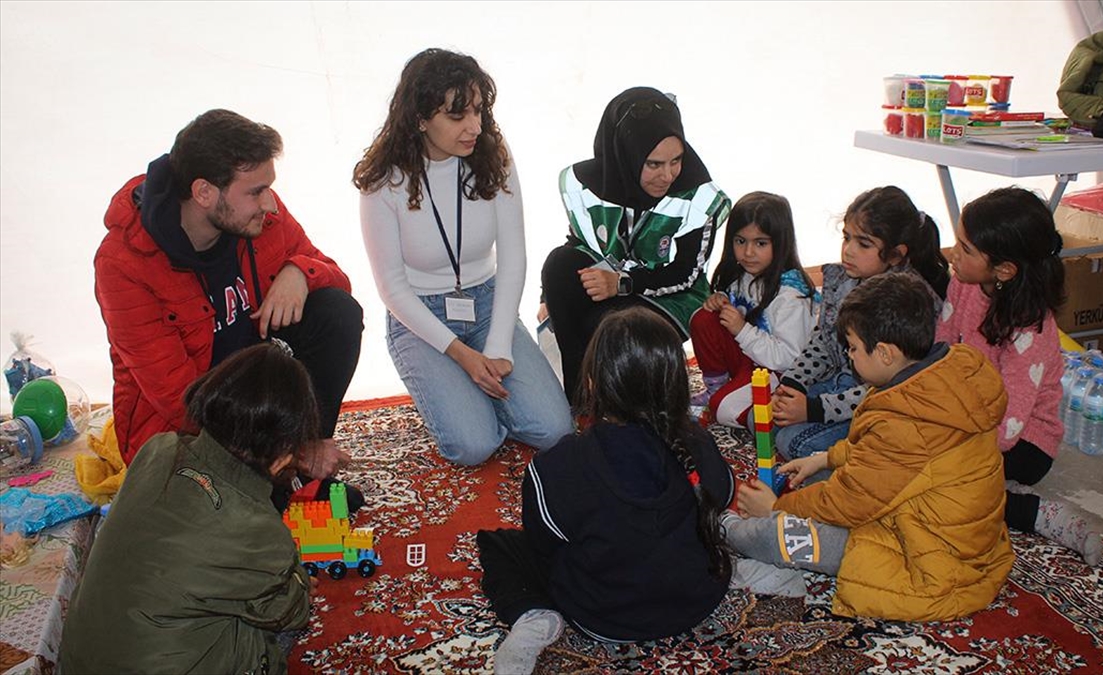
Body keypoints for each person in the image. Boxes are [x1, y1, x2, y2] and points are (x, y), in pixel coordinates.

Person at [94, 108, 362, 496]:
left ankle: (295, 477)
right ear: (204, 192)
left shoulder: (256, 215)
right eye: (256, 191)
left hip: (251, 391)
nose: (270, 203)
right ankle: (288, 468)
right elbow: (180, 402)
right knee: (225, 528)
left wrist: (300, 272)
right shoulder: (124, 263)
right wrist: (293, 448)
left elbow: (334, 274)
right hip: (189, 428)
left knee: (336, 312)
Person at [723, 273, 1014, 622]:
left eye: (853, 348)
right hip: (942, 529)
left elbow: (849, 502)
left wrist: (778, 507)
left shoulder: (906, 420)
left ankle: (724, 526)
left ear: (886, 354)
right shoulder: (939, 375)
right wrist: (824, 458)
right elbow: (884, 455)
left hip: (927, 557)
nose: (849, 355)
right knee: (818, 481)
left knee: (779, 534)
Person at [476, 306, 736, 675]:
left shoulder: (556, 466)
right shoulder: (695, 441)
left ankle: (533, 615)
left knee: (500, 544)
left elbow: (543, 543)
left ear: (593, 383)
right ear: (677, 382)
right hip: (700, 597)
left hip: (606, 618)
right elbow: (722, 495)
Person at [356, 48, 573, 466]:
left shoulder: (493, 154)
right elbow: (391, 288)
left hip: (489, 303)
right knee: (472, 447)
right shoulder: (383, 179)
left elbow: (513, 259)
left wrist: (497, 349)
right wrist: (463, 357)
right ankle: (465, 397)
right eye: (457, 116)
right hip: (421, 318)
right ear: (420, 118)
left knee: (556, 431)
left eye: (478, 111)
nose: (474, 126)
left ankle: (481, 396)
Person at [60, 343, 316, 673]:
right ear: (282, 453)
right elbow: (292, 611)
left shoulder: (158, 448)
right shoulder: (258, 532)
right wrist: (299, 580)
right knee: (271, 630)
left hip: (78, 663)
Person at [937, 187, 1102, 565]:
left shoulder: (1031, 330)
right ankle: (989, 486)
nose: (953, 254)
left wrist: (945, 441)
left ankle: (1037, 513)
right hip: (965, 421)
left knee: (938, 483)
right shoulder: (963, 282)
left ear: (1005, 270)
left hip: (1023, 443)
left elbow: (1007, 429)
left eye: (965, 249)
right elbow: (941, 347)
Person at [541, 86, 732, 402]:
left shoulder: (697, 196)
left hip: (670, 297)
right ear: (624, 156)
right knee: (560, 264)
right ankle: (576, 396)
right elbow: (578, 239)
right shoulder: (587, 183)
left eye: (676, 160)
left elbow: (685, 274)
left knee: (613, 327)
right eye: (654, 164)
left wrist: (623, 284)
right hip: (610, 284)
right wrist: (548, 295)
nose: (668, 175)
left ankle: (633, 405)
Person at [771, 185, 950, 461]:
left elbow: (887, 389)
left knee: (793, 442)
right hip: (841, 386)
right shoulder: (843, 280)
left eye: (863, 244)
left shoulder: (906, 301)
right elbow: (822, 339)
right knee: (766, 416)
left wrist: (814, 409)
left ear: (895, 254)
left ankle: (866, 464)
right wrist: (794, 384)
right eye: (847, 238)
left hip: (880, 404)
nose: (848, 251)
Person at [688, 191, 820, 428]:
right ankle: (718, 388)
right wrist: (721, 300)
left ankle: (770, 415)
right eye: (740, 241)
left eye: (760, 243)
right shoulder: (745, 274)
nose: (748, 252)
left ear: (780, 243)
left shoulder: (792, 295)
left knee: (722, 408)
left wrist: (741, 329)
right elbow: (739, 305)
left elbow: (788, 359)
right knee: (704, 318)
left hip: (780, 372)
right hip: (751, 357)